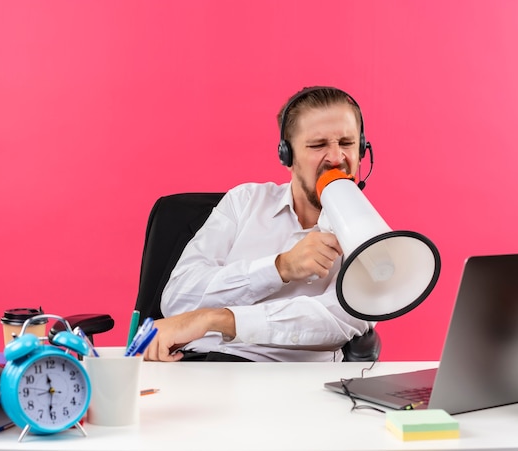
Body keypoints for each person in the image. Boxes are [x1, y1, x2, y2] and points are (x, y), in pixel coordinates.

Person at [144, 86, 374, 362]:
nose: (337, 158)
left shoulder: (370, 233)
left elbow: (337, 322)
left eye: (347, 143)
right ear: (286, 156)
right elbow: (176, 299)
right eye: (318, 145)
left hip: (288, 386)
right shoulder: (244, 201)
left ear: (361, 151)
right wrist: (280, 267)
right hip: (194, 367)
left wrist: (216, 319)